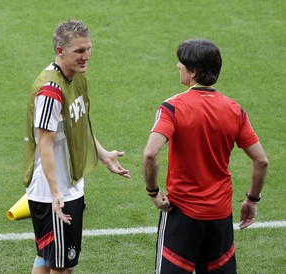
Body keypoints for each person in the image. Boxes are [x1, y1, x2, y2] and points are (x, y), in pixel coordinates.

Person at [142, 38, 268, 274]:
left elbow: (150, 153)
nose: (178, 66)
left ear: (194, 71)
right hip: (220, 215)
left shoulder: (172, 108)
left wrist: (153, 192)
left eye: (182, 63)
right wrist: (252, 199)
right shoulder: (235, 110)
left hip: (181, 213)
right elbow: (261, 160)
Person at [22, 20, 130, 274]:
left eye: (88, 49)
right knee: (63, 267)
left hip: (68, 186)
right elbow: (44, 144)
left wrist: (103, 156)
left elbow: (78, 126)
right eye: (79, 51)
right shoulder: (50, 91)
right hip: (54, 193)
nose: (86, 56)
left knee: (47, 258)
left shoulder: (76, 78)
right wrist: (56, 193)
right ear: (60, 51)